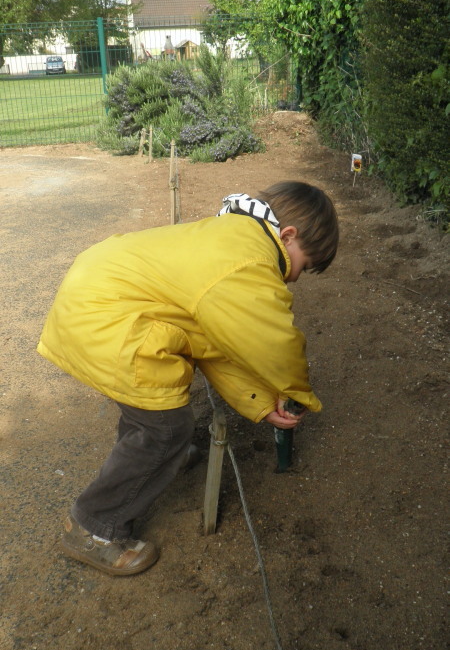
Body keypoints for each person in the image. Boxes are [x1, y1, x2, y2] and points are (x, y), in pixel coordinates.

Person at [37, 181, 339, 576]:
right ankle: (93, 526)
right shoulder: (247, 261)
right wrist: (297, 390)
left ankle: (154, 462)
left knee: (148, 412)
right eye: (303, 266)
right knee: (166, 428)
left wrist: (260, 403)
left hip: (96, 303)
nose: (296, 278)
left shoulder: (230, 239)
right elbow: (275, 343)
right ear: (288, 235)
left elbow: (215, 347)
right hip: (106, 320)